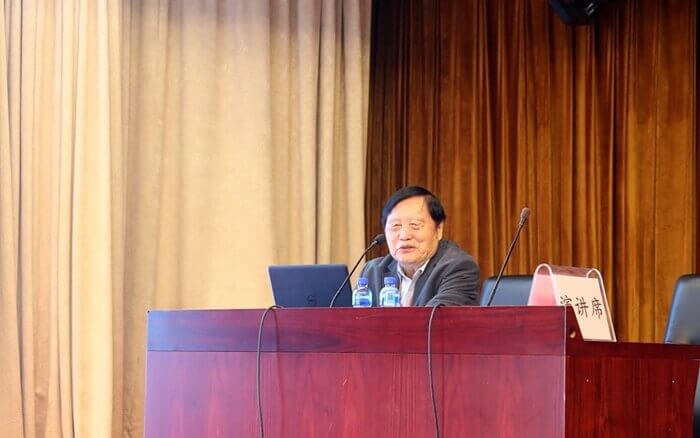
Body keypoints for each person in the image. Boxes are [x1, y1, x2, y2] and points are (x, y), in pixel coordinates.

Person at [360, 186, 481, 306]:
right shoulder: (373, 272)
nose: (404, 236)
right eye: (395, 226)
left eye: (415, 225)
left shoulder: (459, 268)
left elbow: (435, 316)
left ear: (438, 229)